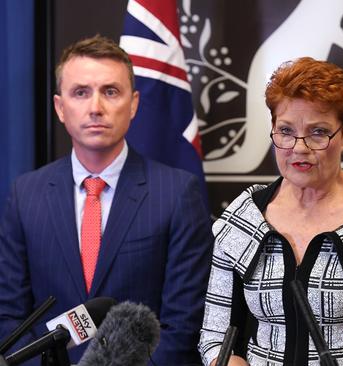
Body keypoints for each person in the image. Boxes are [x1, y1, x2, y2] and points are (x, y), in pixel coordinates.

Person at [198, 57, 343, 366]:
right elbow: (214, 336)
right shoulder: (243, 217)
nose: (299, 147)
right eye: (285, 130)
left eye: (317, 132)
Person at [0, 35, 213, 364]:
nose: (95, 107)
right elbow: (9, 319)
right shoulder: (26, 194)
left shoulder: (177, 193)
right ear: (60, 107)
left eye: (110, 91)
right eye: (81, 92)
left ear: (134, 104)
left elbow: (182, 326)